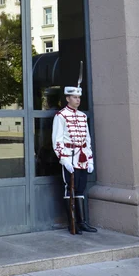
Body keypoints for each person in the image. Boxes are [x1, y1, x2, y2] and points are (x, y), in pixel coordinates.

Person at [52, 85, 97, 235]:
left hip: (82, 157)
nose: (78, 100)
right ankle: (72, 223)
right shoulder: (61, 116)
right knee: (69, 189)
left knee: (80, 189)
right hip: (69, 157)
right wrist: (64, 159)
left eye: (79, 98)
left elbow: (87, 140)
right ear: (67, 98)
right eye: (75, 97)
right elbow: (57, 140)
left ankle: (82, 222)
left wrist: (89, 159)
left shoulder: (83, 116)